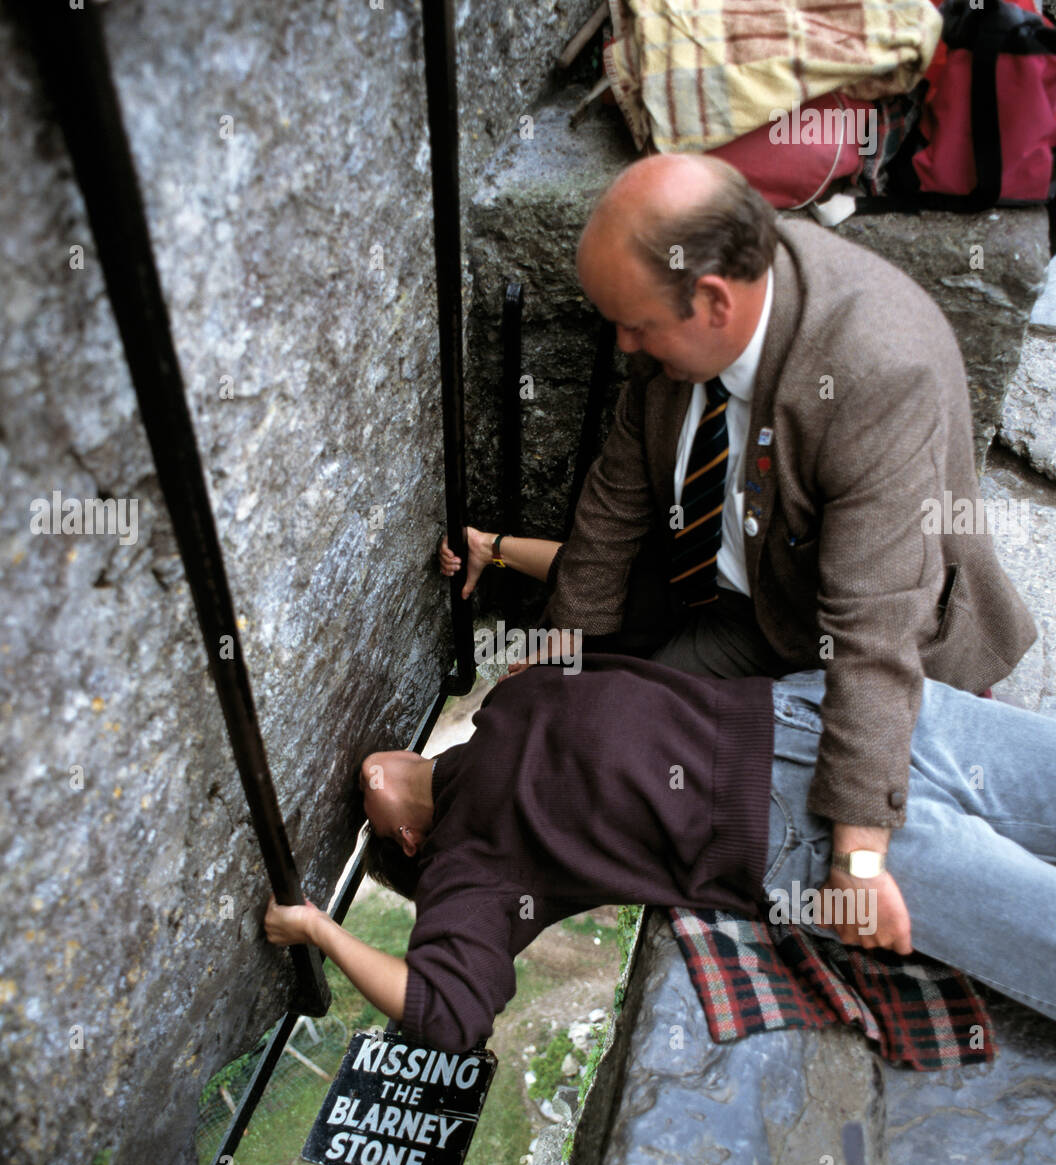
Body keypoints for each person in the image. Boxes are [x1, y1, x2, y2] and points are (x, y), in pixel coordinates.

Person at [535, 152, 1036, 957]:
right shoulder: (689, 323)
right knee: (611, 737)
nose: (623, 343)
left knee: (879, 846)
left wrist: (858, 858)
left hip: (881, 646)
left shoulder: (876, 372)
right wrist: (558, 653)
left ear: (712, 301)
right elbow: (615, 501)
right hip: (756, 608)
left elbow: (874, 635)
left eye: (635, 324)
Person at [263, 656, 1056, 1055]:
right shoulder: (468, 868)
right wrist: (319, 933)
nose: (364, 773)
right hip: (792, 834)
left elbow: (605, 597)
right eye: (363, 810)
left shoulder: (510, 698)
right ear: (408, 840)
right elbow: (446, 1012)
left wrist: (491, 549)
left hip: (841, 714)